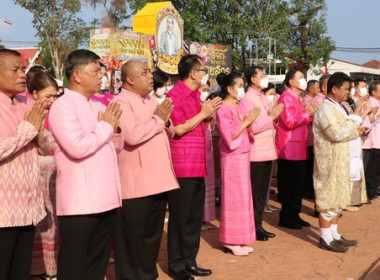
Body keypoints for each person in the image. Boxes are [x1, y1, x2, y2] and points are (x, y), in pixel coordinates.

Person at [48, 49, 123, 280]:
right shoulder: (63, 106)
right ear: (77, 75)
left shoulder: (98, 106)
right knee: (75, 266)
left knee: (96, 265)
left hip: (106, 198)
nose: (101, 75)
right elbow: (77, 147)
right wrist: (107, 128)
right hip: (81, 203)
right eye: (95, 71)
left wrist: (115, 130)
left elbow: (115, 147)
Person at [113, 60, 179, 280]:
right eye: (145, 72)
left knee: (152, 236)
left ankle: (147, 275)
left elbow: (169, 131)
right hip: (136, 183)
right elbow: (132, 136)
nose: (151, 76)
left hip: (159, 179)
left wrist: (164, 120)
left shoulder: (150, 100)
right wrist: (159, 119)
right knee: (132, 239)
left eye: (150, 71)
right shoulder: (121, 102)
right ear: (130, 79)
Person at [0, 48, 54, 280]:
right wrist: (28, 129)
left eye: (23, 69)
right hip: (3, 209)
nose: (23, 74)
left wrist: (39, 131)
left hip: (29, 205)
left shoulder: (27, 103)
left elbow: (47, 147)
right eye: (15, 70)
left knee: (19, 272)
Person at [166, 54, 222, 280]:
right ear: (192, 73)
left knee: (193, 217)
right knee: (180, 217)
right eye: (202, 71)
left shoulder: (197, 96)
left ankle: (190, 260)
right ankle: (177, 265)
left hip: (198, 164)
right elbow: (178, 129)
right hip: (182, 165)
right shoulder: (174, 96)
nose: (204, 75)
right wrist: (203, 114)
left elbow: (197, 123)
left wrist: (208, 116)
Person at [313, 72, 368, 252]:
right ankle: (325, 237)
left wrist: (358, 130)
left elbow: (347, 128)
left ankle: (335, 234)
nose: (348, 92)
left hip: (341, 159)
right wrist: (357, 119)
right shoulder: (325, 109)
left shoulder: (339, 106)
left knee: (339, 197)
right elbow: (336, 133)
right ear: (334, 89)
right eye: (345, 89)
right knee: (328, 197)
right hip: (330, 160)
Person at [216, 72, 260, 255]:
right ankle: (230, 240)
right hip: (232, 157)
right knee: (233, 197)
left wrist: (249, 122)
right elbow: (229, 135)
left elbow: (244, 130)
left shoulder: (239, 107)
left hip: (242, 155)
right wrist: (247, 122)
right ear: (229, 89)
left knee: (243, 197)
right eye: (240, 85)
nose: (242, 89)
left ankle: (241, 238)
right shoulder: (223, 108)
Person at [241, 66, 283, 241]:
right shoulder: (247, 100)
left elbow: (269, 122)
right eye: (262, 75)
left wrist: (273, 118)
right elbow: (253, 127)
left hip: (267, 151)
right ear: (253, 79)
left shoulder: (263, 98)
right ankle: (252, 227)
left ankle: (258, 225)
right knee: (255, 193)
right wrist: (271, 117)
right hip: (256, 152)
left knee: (262, 194)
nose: (265, 78)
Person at [28, 72, 60, 279]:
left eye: (55, 96)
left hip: (54, 173)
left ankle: (51, 267)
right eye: (48, 96)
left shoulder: (57, 112)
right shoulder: (27, 113)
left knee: (53, 221)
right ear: (34, 93)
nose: (52, 101)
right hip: (35, 172)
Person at [276, 69, 316, 230]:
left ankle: (294, 214)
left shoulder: (296, 98)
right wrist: (308, 114)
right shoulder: (286, 97)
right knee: (289, 184)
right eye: (300, 77)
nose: (304, 80)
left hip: (298, 146)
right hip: (289, 147)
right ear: (292, 82)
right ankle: (287, 217)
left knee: (297, 184)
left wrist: (309, 114)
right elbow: (290, 122)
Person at [302, 79, 324, 199]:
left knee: (310, 166)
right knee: (309, 167)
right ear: (310, 89)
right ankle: (307, 190)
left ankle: (308, 189)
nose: (319, 90)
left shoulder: (312, 101)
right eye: (317, 88)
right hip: (309, 137)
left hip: (311, 137)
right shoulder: (308, 101)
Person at [364, 81, 380, 201]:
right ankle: (369, 191)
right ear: (374, 92)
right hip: (373, 140)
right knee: (371, 169)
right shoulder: (368, 103)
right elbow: (370, 120)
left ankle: (374, 188)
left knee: (377, 168)